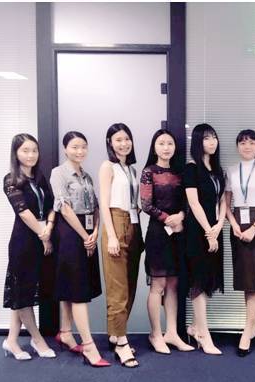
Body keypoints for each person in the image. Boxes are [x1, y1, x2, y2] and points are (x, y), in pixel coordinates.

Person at [50, 131, 110, 367]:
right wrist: (86, 236)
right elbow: (64, 208)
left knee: (73, 285)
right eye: (74, 147)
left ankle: (65, 332)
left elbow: (95, 206)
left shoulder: (87, 176)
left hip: (87, 231)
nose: (80, 151)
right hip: (69, 232)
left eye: (83, 146)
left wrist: (95, 231)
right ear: (65, 149)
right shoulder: (59, 173)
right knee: (77, 289)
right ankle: (88, 346)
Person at [2, 133, 57, 360]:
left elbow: (52, 205)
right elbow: (23, 212)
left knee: (22, 293)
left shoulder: (40, 178)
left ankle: (11, 341)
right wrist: (43, 235)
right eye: (25, 150)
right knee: (22, 293)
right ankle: (37, 339)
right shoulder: (11, 180)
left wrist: (49, 227)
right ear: (16, 153)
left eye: (34, 150)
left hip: (43, 237)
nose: (31, 155)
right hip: (23, 242)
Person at [141, 128, 194, 354]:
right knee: (158, 285)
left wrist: (180, 216)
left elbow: (187, 203)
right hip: (157, 233)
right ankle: (155, 334)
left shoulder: (180, 172)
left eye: (170, 143)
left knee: (174, 283)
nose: (166, 147)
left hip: (178, 232)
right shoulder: (149, 171)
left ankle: (171, 333)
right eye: (161, 143)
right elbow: (145, 205)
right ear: (154, 147)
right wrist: (167, 219)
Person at [225, 129, 255, 357]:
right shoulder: (231, 171)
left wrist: (254, 228)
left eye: (252, 143)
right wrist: (234, 224)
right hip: (238, 225)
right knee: (246, 280)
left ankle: (247, 331)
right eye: (243, 143)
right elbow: (226, 203)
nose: (247, 146)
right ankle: (253, 324)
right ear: (237, 146)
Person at [99, 123, 144, 368]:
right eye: (118, 139)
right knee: (118, 288)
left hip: (133, 224)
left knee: (130, 284)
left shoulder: (131, 169)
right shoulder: (108, 166)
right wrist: (112, 236)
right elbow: (104, 204)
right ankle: (121, 344)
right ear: (110, 142)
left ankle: (116, 334)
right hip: (115, 222)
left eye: (127, 139)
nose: (124, 143)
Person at [183, 123, 226, 355]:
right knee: (198, 280)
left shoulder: (217, 169)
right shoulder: (191, 168)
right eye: (206, 138)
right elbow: (194, 202)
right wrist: (209, 231)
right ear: (198, 141)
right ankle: (203, 334)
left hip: (215, 229)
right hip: (197, 231)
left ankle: (195, 327)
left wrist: (218, 226)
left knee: (208, 279)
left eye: (214, 137)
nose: (212, 142)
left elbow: (223, 201)